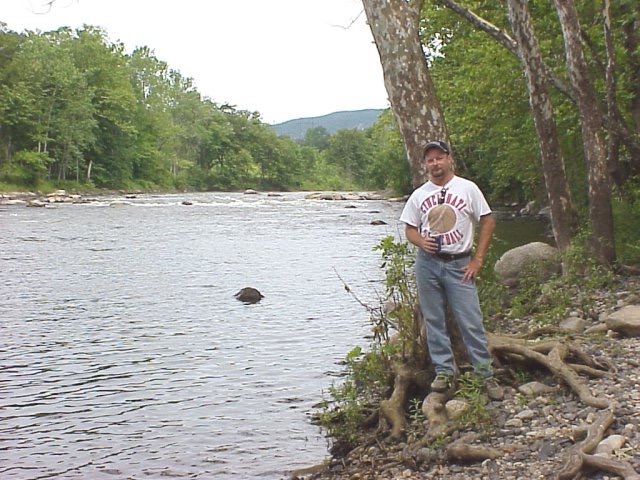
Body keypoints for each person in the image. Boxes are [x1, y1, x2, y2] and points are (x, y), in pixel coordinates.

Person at [399, 140, 503, 401]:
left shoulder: (468, 188)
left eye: (439, 158)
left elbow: (488, 220)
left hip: (460, 264)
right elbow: (409, 229)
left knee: (471, 321)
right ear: (425, 164)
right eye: (430, 160)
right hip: (428, 264)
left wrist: (478, 259)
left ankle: (485, 374)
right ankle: (444, 372)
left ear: (448, 159)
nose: (435, 163)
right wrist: (422, 241)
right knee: (434, 320)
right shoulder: (420, 194)